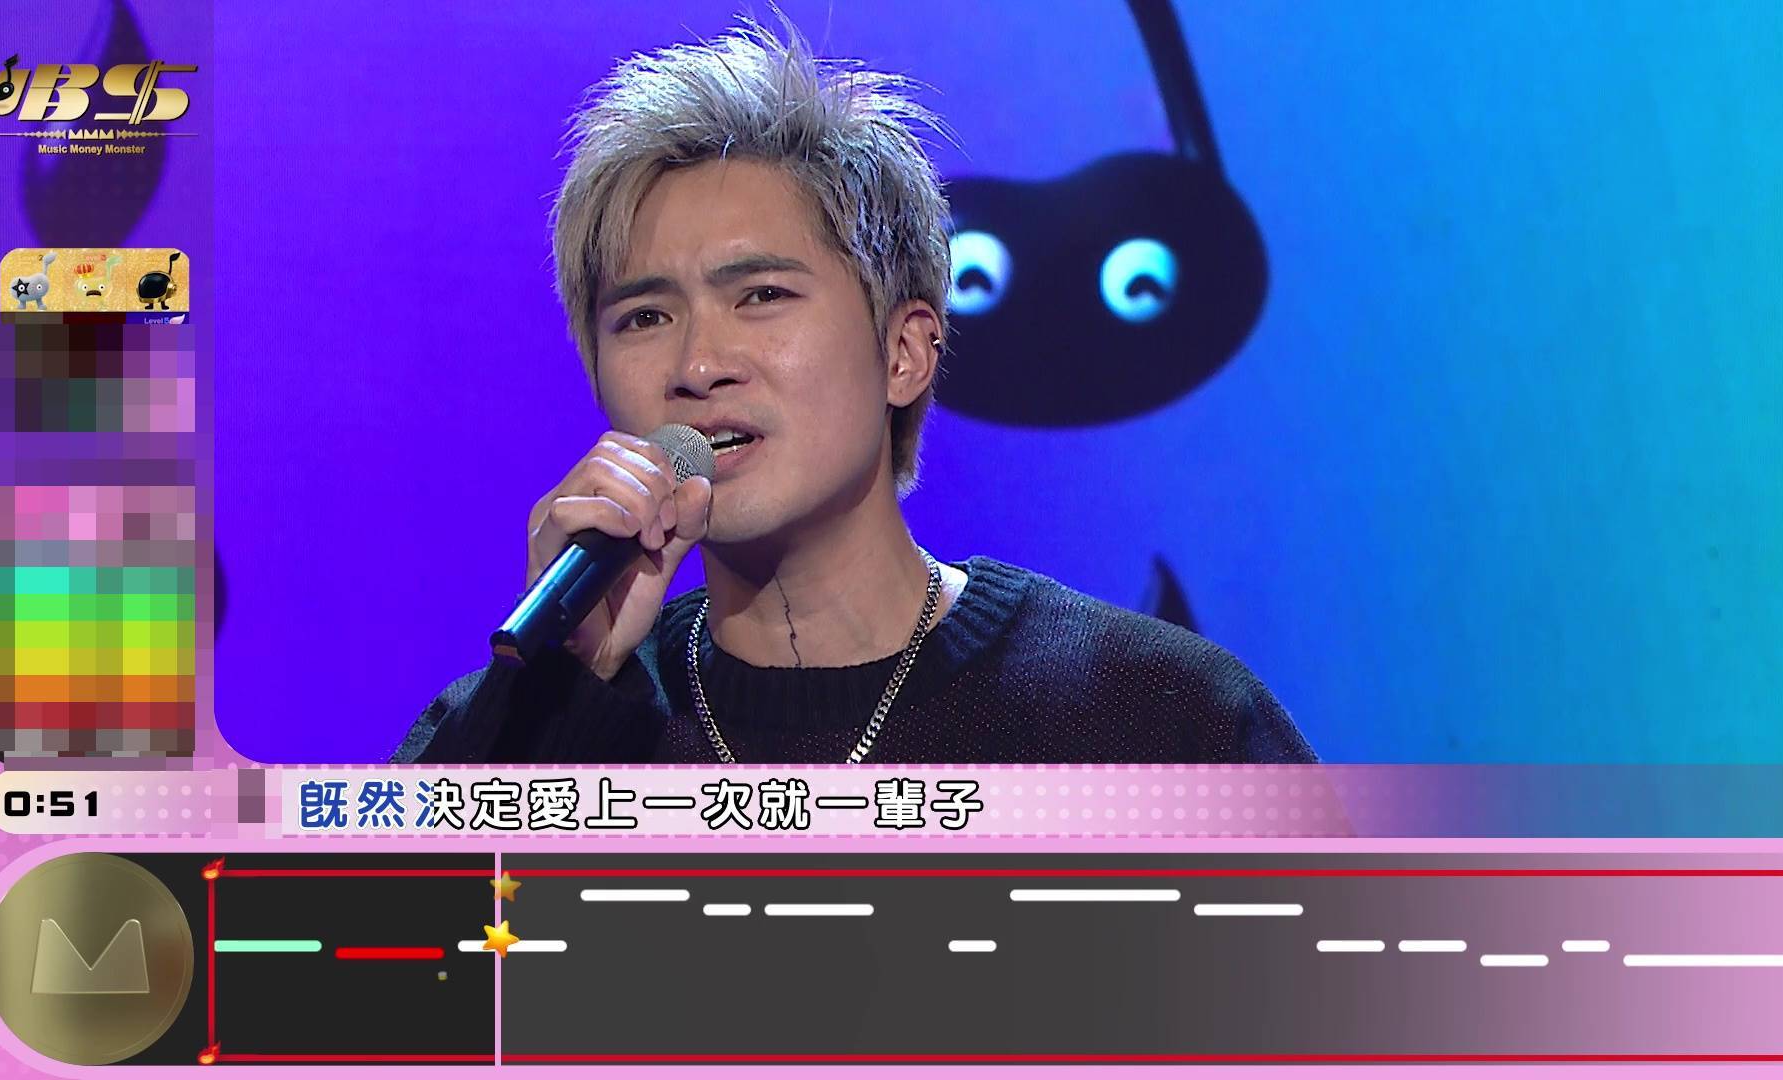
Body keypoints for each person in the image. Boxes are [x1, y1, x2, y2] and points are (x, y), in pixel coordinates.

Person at [394, 17, 1315, 765]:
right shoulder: (526, 728)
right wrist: (557, 701)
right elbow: (375, 945)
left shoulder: (1153, 718)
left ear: (905, 352)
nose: (698, 364)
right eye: (644, 317)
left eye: (761, 296)